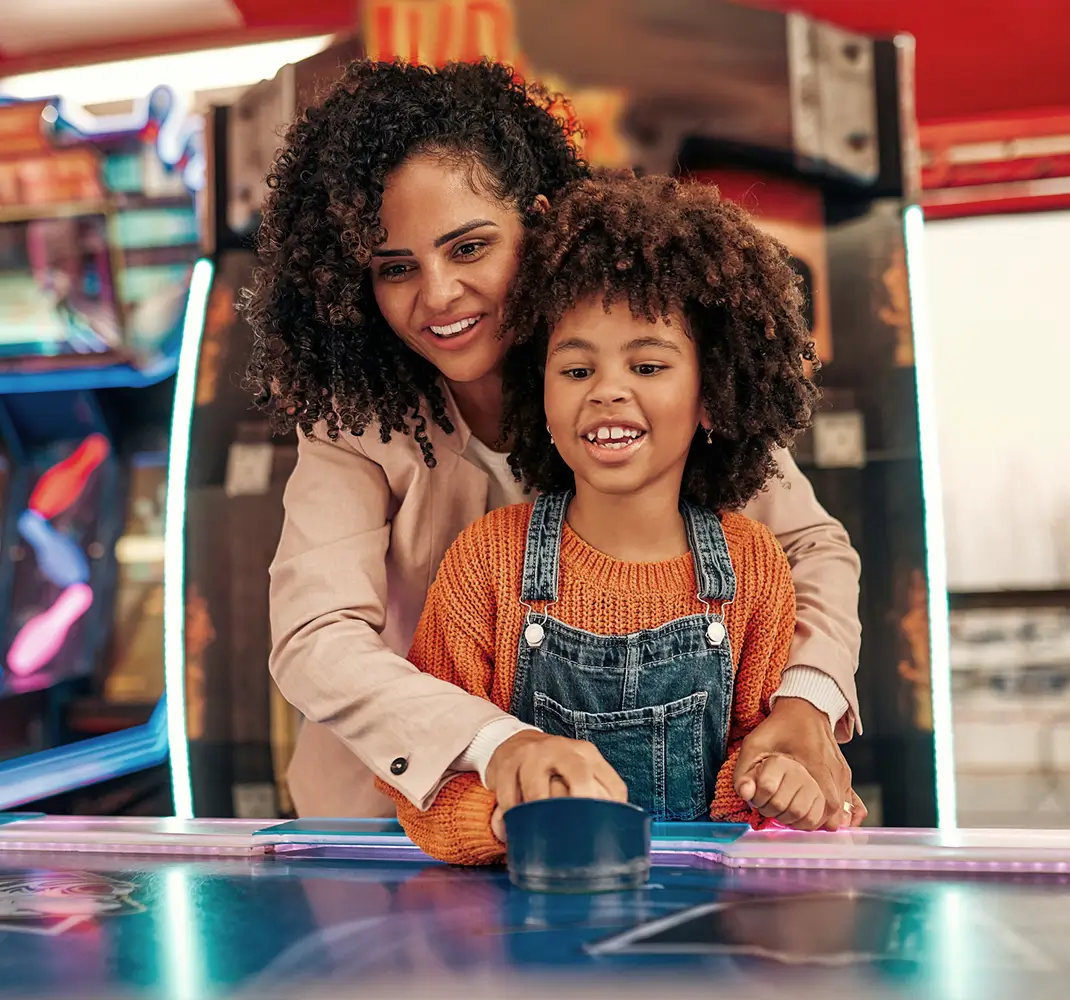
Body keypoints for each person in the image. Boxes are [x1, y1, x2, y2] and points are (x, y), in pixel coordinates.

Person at [245, 59, 863, 826]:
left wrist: (805, 703)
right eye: (396, 267)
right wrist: (497, 746)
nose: (436, 294)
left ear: (536, 222)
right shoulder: (355, 419)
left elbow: (811, 548)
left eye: (468, 248)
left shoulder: (640, 377)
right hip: (396, 820)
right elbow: (316, 636)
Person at [374, 172, 857, 863]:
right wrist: (506, 819)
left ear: (713, 395)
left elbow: (760, 772)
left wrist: (780, 790)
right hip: (527, 928)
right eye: (575, 371)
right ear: (537, 398)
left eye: (650, 366)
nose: (607, 391)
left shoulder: (753, 567)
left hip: (702, 934)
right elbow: (427, 784)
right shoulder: (485, 562)